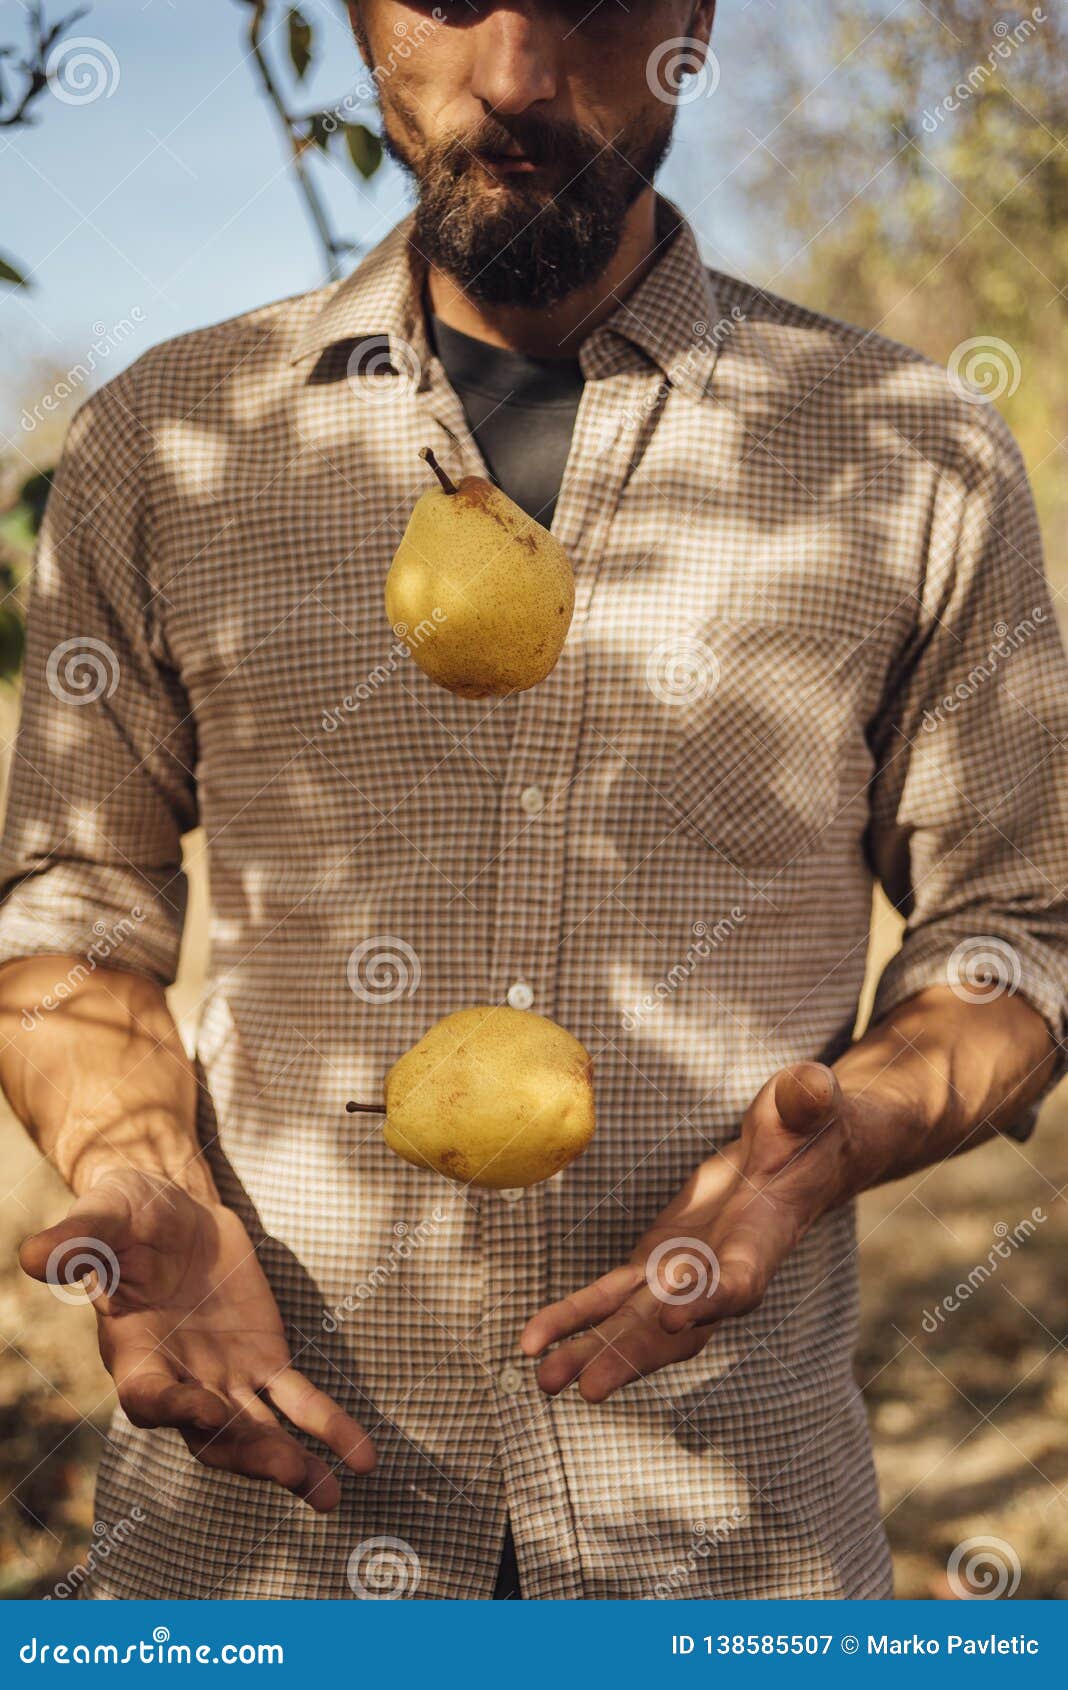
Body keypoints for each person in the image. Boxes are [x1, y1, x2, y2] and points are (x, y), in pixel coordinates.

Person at [0, 0, 1065, 1601]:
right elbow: (72, 910)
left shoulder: (914, 457)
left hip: (733, 1543)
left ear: (697, 18)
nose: (511, 77)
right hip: (254, 1544)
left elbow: (1018, 924)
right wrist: (139, 1160)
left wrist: (837, 1140)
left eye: (589, 3)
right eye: (445, 2)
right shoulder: (165, 446)